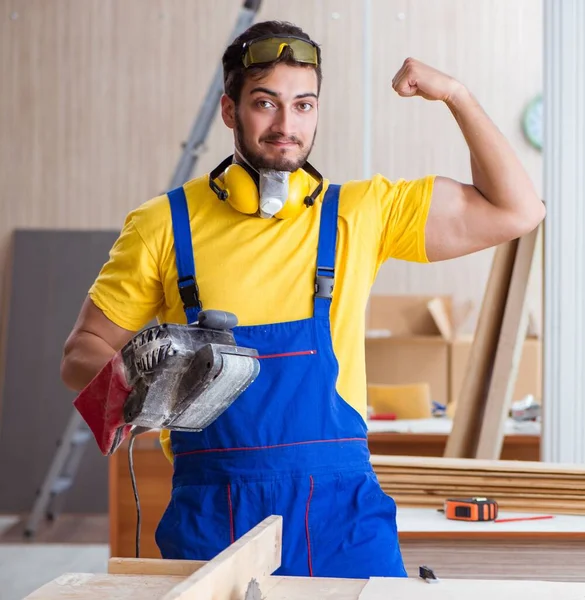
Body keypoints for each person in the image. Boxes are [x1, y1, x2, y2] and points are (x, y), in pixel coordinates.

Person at [61, 20, 545, 578]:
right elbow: (82, 350)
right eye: (266, 103)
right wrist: (139, 384)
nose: (286, 125)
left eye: (304, 105)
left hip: (342, 517)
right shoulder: (164, 225)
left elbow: (518, 210)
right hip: (214, 514)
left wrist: (457, 95)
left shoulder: (360, 215)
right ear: (229, 110)